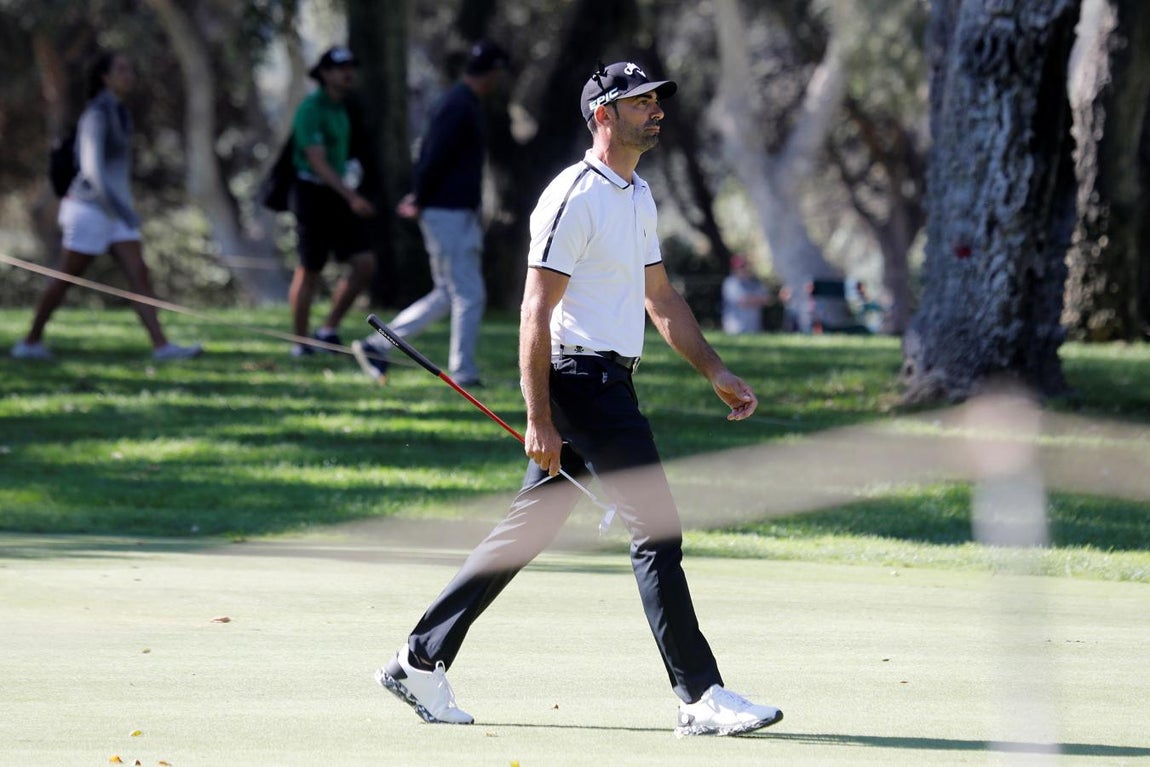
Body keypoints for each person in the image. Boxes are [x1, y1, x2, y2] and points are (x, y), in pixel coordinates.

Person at [375, 61, 783, 737]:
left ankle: (419, 657)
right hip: (581, 382)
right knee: (656, 530)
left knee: (526, 528)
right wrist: (538, 415)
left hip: (608, 379)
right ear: (603, 115)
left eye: (656, 100)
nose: (654, 110)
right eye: (639, 102)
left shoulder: (636, 195)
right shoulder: (574, 196)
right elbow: (536, 312)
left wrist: (715, 368)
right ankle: (699, 694)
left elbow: (661, 296)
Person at [10, 52, 202, 362]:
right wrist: (121, 208)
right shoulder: (97, 114)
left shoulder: (121, 113)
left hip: (115, 213)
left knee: (139, 274)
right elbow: (92, 170)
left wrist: (123, 208)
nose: (130, 75)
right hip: (90, 209)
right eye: (122, 70)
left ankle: (162, 347)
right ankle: (31, 341)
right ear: (105, 77)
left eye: (131, 69)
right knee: (65, 277)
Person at [352, 41, 509, 387]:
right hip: (448, 211)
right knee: (469, 294)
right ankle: (464, 371)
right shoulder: (459, 104)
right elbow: (433, 154)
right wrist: (420, 196)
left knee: (446, 294)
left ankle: (378, 345)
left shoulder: (461, 101)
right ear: (492, 72)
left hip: (448, 210)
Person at [287, 46, 377, 357]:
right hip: (312, 194)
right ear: (324, 73)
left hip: (338, 193)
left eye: (351, 66)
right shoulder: (311, 108)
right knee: (309, 268)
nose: (347, 72)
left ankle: (327, 329)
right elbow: (317, 161)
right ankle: (300, 344)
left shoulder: (343, 108)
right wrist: (352, 197)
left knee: (364, 263)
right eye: (340, 67)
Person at [721, 253, 772, 334]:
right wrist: (758, 299)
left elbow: (767, 300)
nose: (743, 269)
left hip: (754, 328)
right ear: (734, 269)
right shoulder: (730, 283)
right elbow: (741, 302)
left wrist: (750, 299)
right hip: (735, 329)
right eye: (740, 267)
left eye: (744, 266)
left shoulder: (756, 282)